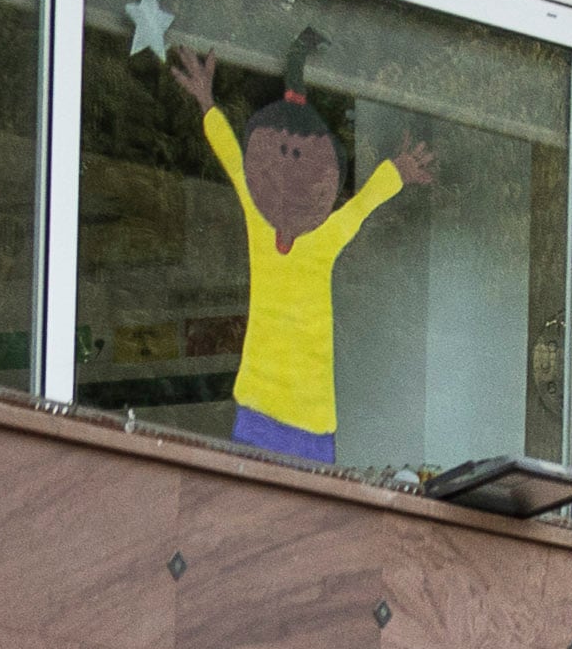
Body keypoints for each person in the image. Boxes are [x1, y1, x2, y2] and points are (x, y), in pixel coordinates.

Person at [175, 37, 433, 466]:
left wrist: (398, 172)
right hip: (268, 411)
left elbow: (359, 204)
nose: (288, 170)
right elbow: (236, 160)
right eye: (280, 155)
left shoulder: (318, 236)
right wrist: (206, 102)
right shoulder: (273, 224)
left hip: (308, 421)